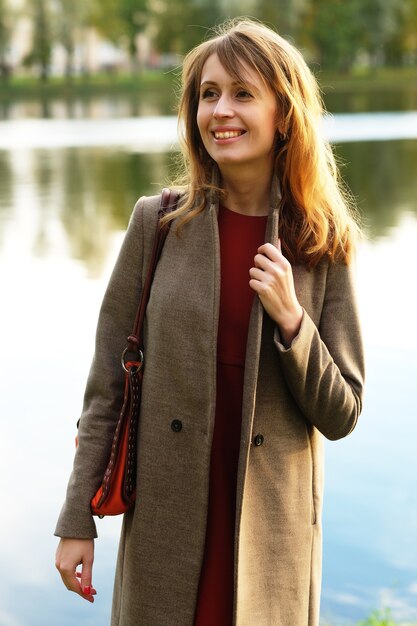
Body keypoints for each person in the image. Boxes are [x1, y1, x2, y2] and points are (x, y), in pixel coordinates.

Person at [55, 17, 365, 626]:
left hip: (271, 542)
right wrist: (76, 519)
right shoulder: (158, 225)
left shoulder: (324, 242)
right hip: (166, 528)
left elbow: (344, 412)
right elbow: (107, 392)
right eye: (208, 93)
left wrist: (293, 323)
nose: (220, 110)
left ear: (286, 114)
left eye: (243, 94)